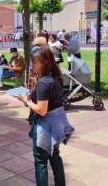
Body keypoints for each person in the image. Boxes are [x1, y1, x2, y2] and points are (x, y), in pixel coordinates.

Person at [17, 48, 74, 186]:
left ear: (45, 62)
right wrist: (38, 85)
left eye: (34, 61)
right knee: (55, 157)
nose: (31, 64)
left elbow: (41, 110)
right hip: (57, 124)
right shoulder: (56, 77)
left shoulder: (44, 83)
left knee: (41, 161)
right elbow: (51, 93)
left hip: (45, 126)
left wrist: (24, 100)